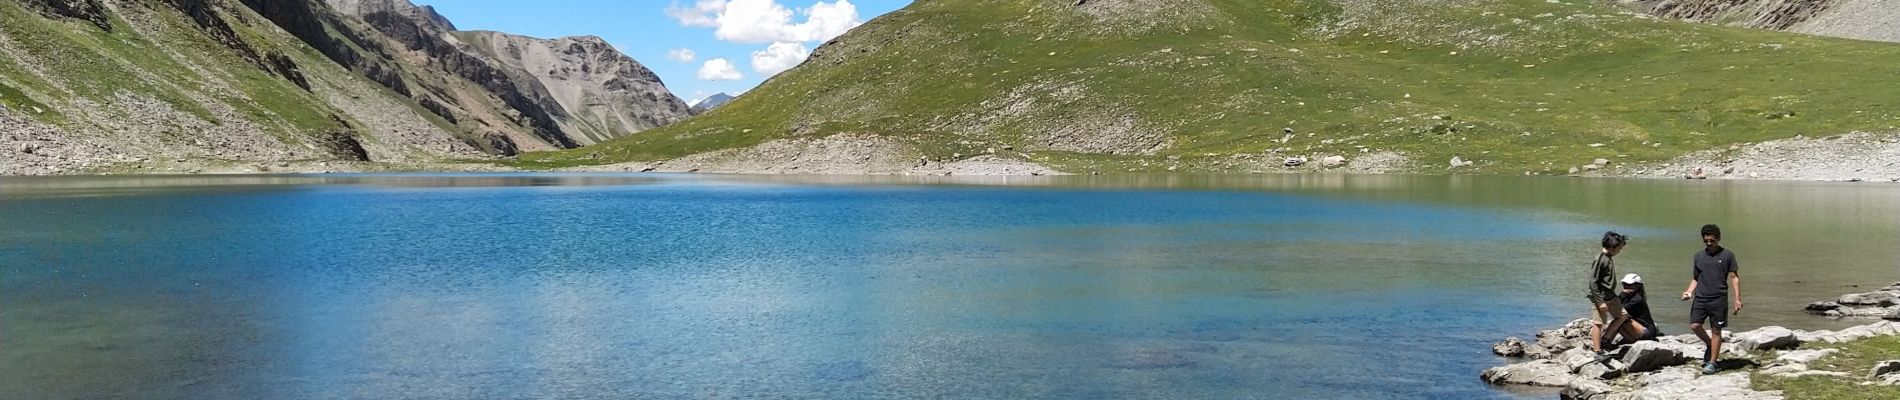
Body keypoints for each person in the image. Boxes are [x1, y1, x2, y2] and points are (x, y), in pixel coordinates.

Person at [1681, 224, 1742, 375]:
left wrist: (1737, 299)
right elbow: (1696, 277)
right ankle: (1710, 344)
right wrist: (1689, 291)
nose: (1709, 243)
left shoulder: (1728, 255)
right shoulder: (1698, 256)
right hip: (1701, 297)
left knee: (1716, 330)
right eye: (1706, 241)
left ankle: (1712, 363)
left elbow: (1734, 277)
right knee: (1695, 325)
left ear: (1718, 238)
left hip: (1718, 298)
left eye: (1712, 240)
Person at [1588, 231, 1632, 361]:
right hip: (1601, 297)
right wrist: (1600, 301)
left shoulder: (1608, 258)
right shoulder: (1600, 259)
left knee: (1623, 315)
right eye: (1620, 248)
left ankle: (1605, 339)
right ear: (1612, 247)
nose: (1620, 251)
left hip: (1611, 296)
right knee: (1598, 323)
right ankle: (1597, 350)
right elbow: (1593, 282)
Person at [1611, 273, 1661, 345]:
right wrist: (1621, 295)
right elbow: (1616, 306)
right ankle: (1627, 341)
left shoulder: (1637, 299)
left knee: (1620, 320)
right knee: (1618, 321)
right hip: (1638, 329)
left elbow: (1619, 309)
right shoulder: (1627, 296)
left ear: (1638, 286)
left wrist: (1621, 296)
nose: (1626, 287)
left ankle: (1606, 341)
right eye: (1624, 284)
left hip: (1646, 332)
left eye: (1630, 285)